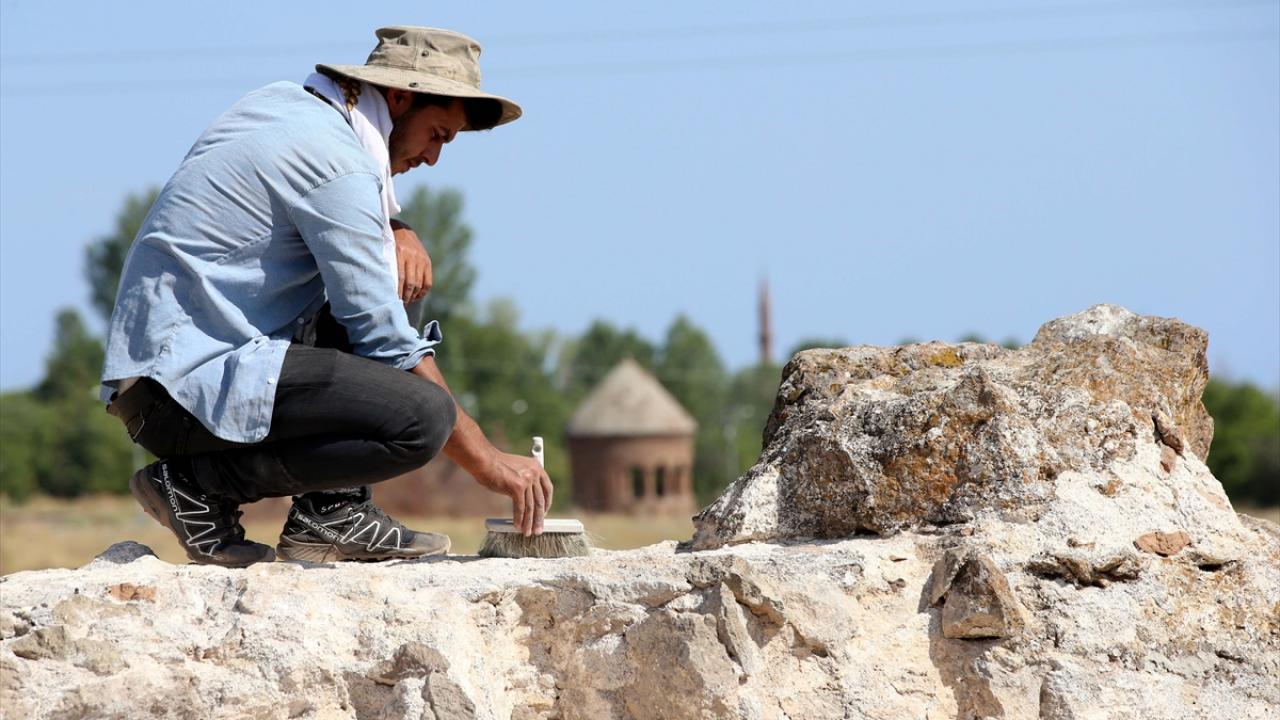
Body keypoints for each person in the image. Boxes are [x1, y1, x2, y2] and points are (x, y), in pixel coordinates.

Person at [99, 26, 552, 567]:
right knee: (424, 418)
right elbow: (382, 338)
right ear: (401, 98)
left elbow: (341, 219)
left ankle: (332, 513)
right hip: (182, 393)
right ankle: (197, 486)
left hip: (163, 382)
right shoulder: (335, 163)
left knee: (397, 271)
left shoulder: (288, 108)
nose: (434, 158)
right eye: (438, 134)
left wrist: (395, 227)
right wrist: (485, 460)